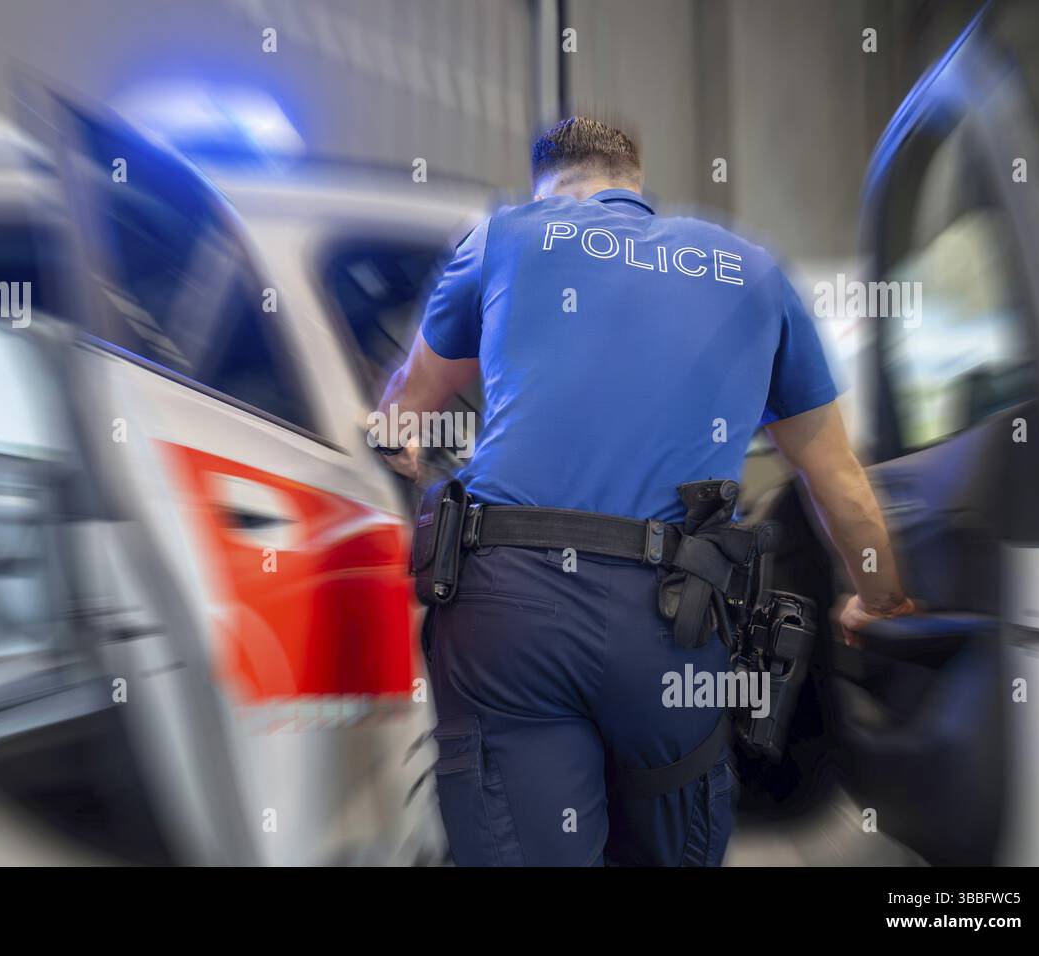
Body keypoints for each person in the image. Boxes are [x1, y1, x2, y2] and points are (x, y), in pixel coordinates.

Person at [375, 117, 914, 866]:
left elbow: (405, 413)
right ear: (634, 180)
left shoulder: (506, 236)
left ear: (547, 183)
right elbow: (837, 481)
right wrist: (877, 595)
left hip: (508, 611)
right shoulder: (753, 270)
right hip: (671, 621)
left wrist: (394, 452)